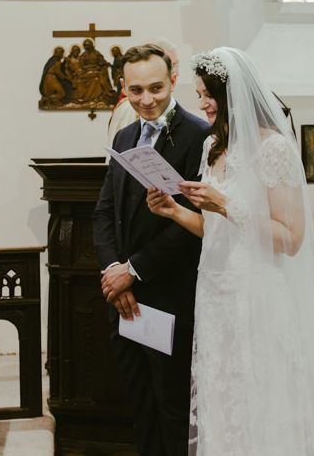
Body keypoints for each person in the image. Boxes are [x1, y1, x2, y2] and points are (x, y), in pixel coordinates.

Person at [145, 47, 314, 455]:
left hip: (259, 295)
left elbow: (290, 236)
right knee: (223, 398)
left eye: (209, 94)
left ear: (234, 96)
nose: (203, 103)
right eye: (199, 94)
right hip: (216, 295)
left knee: (262, 398)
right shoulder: (214, 147)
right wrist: (175, 211)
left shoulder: (272, 149)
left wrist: (225, 203)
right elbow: (214, 232)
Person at [92, 44, 210, 456]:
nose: (146, 99)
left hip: (170, 294)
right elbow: (105, 212)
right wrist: (114, 273)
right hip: (122, 298)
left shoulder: (200, 135)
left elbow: (196, 222)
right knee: (140, 404)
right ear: (124, 88)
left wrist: (135, 270)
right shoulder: (124, 135)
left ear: (173, 80)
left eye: (156, 88)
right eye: (136, 90)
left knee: (172, 406)